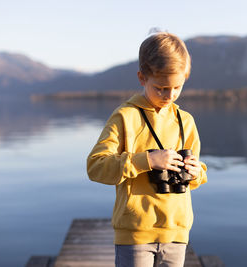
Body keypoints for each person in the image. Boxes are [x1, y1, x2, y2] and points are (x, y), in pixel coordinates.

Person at [87, 31, 207, 267]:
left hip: (177, 233)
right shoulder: (125, 117)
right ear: (142, 78)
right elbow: (96, 166)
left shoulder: (186, 121)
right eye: (160, 88)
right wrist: (148, 161)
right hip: (135, 234)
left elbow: (198, 175)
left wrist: (197, 172)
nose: (169, 95)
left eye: (176, 87)